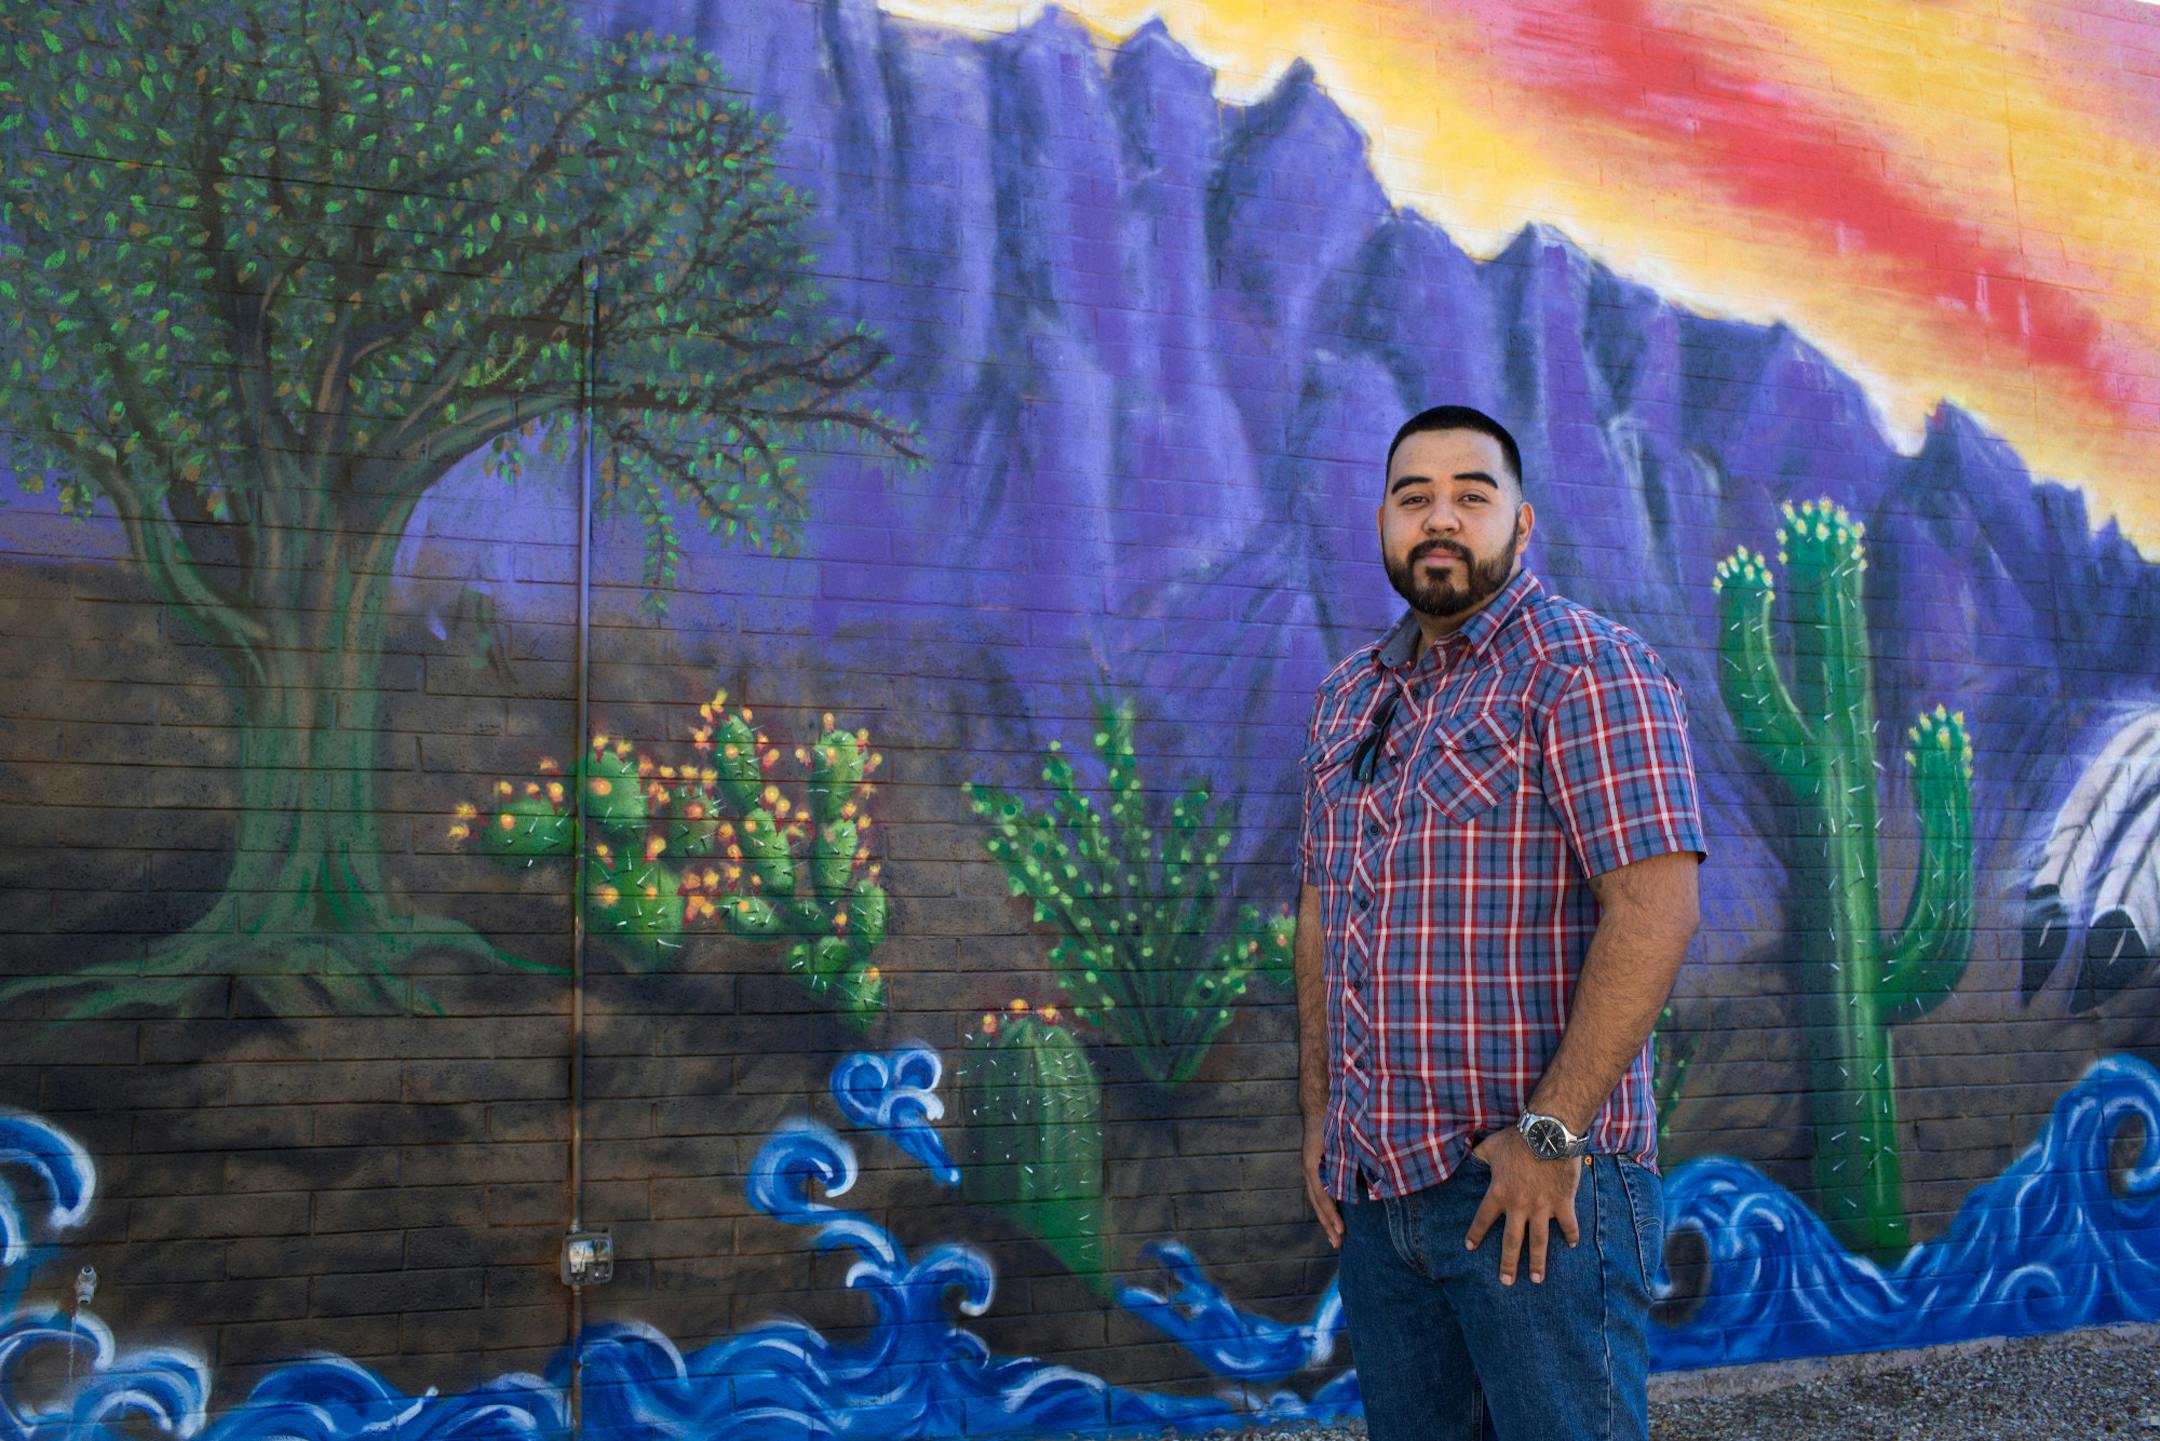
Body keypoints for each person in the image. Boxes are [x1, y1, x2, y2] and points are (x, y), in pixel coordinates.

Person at [1293, 404, 1705, 1441]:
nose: (1441, 518)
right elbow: (1320, 909)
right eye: (1414, 496)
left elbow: (1656, 906)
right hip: (1381, 1195)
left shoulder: (1586, 668)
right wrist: (1319, 1118)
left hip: (1536, 1198)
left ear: (1523, 527)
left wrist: (1549, 1134)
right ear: (1383, 522)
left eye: (1472, 496)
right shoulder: (1351, 700)